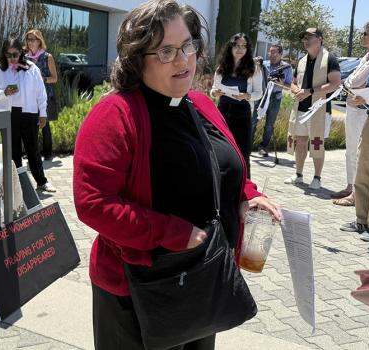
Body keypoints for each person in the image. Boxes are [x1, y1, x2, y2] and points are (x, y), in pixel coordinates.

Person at [73, 1, 281, 348]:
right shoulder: (115, 114)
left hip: (203, 278)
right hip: (139, 291)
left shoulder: (200, 104)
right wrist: (171, 232)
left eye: (188, 45)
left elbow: (224, 168)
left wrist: (247, 195)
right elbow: (92, 203)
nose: (184, 59)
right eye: (166, 51)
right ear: (137, 58)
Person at [0, 37, 56, 192]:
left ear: (21, 52)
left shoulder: (31, 68)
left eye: (15, 54)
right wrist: (3, 92)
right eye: (8, 55)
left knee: (33, 149)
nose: (12, 58)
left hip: (29, 112)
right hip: (8, 113)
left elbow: (41, 92)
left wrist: (43, 113)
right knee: (12, 151)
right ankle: (16, 185)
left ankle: (41, 181)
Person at [332, 20, 369, 206]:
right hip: (356, 103)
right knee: (351, 151)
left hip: (367, 110)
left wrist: (349, 84)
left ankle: (357, 193)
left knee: (359, 152)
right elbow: (354, 77)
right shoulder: (368, 54)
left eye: (367, 33)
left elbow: (358, 80)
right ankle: (351, 186)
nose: (363, 36)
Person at [284, 28, 341, 190]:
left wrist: (310, 91)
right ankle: (298, 174)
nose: (306, 41)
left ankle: (317, 178)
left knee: (317, 143)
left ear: (320, 39)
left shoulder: (329, 58)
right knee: (301, 142)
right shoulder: (302, 60)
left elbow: (336, 84)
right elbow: (294, 81)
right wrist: (295, 89)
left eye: (310, 37)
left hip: (319, 110)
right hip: (300, 108)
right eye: (304, 38)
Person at [211, 33, 263, 178]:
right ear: (230, 47)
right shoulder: (223, 66)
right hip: (222, 111)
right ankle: (221, 182)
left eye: (243, 46)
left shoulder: (254, 68)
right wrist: (215, 93)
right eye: (237, 45)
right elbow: (214, 89)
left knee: (242, 152)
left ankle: (245, 188)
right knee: (221, 149)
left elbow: (259, 93)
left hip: (242, 113)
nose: (240, 49)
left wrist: (246, 96)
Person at [251, 44, 293, 157]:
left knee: (269, 124)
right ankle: (247, 146)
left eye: (274, 52)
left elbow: (290, 86)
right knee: (253, 121)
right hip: (262, 96)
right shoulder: (263, 64)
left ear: (280, 54)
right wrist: (254, 62)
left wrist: (281, 83)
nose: (271, 54)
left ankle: (263, 147)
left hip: (275, 98)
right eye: (270, 52)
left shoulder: (287, 68)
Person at [24, 29, 58, 161]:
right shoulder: (25, 58)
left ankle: (48, 153)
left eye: (33, 39)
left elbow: (54, 78)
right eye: (28, 39)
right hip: (29, 97)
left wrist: (41, 79)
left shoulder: (47, 57)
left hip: (45, 95)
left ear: (39, 41)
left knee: (44, 125)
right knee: (31, 125)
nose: (30, 42)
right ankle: (32, 151)